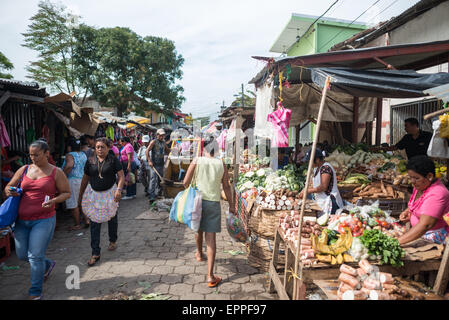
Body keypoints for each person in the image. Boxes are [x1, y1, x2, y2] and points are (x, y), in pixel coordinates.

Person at [4, 140, 71, 300]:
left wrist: (53, 201)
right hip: (21, 221)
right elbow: (8, 187)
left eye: (36, 155)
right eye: (31, 154)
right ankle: (47, 264)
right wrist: (10, 191)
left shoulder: (56, 172)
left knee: (34, 255)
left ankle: (35, 292)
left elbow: (66, 192)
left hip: (44, 220)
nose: (32, 158)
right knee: (22, 255)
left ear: (47, 153)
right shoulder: (24, 169)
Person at [183, 135, 234, 288]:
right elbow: (226, 186)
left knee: (197, 229)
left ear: (204, 147)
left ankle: (199, 254)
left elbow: (185, 182)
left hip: (197, 201)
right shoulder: (221, 163)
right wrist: (231, 204)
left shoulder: (197, 160)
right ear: (216, 149)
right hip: (213, 203)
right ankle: (210, 276)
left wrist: (193, 187)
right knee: (210, 238)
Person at [78, 138, 125, 266]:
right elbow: (85, 178)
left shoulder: (112, 160)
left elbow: (121, 176)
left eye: (102, 147)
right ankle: (95, 253)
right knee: (95, 223)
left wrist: (119, 190)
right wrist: (81, 195)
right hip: (94, 195)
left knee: (112, 218)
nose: (99, 149)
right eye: (97, 147)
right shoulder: (90, 161)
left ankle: (112, 240)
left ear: (108, 148)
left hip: (110, 193)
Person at [398, 155, 449, 245]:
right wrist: (408, 211)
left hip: (434, 238)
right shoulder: (420, 186)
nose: (412, 181)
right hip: (419, 233)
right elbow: (418, 205)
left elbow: (425, 225)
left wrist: (396, 242)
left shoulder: (437, 193)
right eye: (410, 177)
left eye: (416, 178)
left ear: (429, 176)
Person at [299, 148, 344, 215]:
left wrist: (307, 191)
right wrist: (306, 188)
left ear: (317, 160)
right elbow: (314, 184)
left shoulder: (326, 168)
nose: (308, 163)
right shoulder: (316, 169)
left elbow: (323, 187)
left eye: (310, 161)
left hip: (330, 202)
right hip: (322, 201)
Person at [62, 139, 89, 230]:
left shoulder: (70, 155)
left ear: (69, 147)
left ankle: (77, 224)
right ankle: (87, 220)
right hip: (83, 179)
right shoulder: (83, 154)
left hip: (73, 181)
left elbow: (69, 165)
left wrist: (62, 174)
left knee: (74, 203)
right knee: (82, 202)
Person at [146, 129, 170, 204]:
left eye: (163, 135)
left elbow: (167, 151)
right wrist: (149, 161)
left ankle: (159, 193)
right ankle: (151, 196)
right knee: (153, 180)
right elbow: (147, 151)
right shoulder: (153, 142)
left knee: (160, 180)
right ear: (157, 135)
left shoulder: (163, 143)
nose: (162, 137)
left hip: (161, 164)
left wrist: (173, 152)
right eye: (160, 135)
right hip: (154, 164)